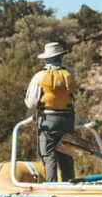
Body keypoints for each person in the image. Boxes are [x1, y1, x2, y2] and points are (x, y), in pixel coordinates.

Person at [24, 42, 76, 182]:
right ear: (60, 57)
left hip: (48, 121)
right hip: (67, 121)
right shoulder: (70, 73)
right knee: (66, 156)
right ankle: (70, 186)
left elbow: (31, 103)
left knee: (49, 156)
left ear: (46, 59)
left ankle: (51, 188)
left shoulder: (39, 77)